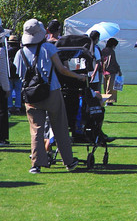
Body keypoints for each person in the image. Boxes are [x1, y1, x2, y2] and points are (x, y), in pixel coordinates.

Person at [14, 19, 89, 173]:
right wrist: (78, 77)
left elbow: (18, 74)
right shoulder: (48, 48)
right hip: (52, 91)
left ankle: (36, 164)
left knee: (36, 130)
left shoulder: (19, 53)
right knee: (60, 127)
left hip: (30, 94)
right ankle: (68, 161)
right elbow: (62, 69)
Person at [100, 37, 122, 105]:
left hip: (104, 71)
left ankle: (106, 99)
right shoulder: (111, 51)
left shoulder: (103, 50)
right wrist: (119, 70)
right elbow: (114, 62)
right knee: (111, 87)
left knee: (105, 87)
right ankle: (109, 101)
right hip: (111, 71)